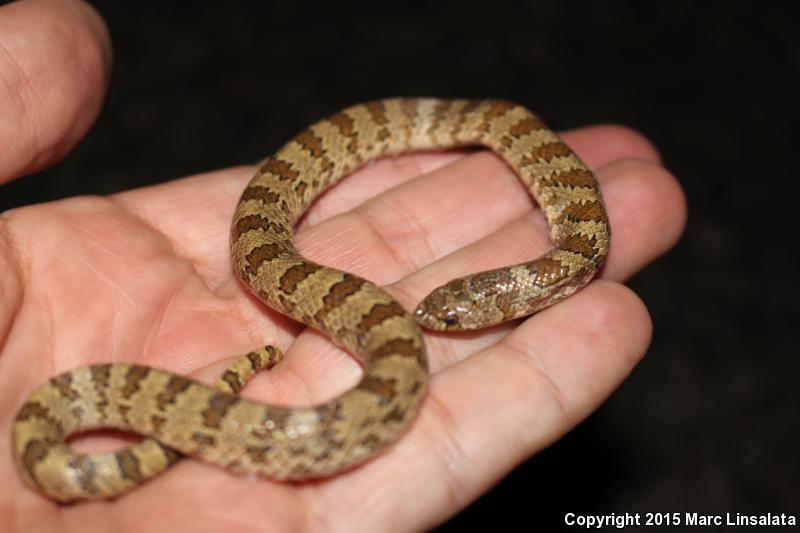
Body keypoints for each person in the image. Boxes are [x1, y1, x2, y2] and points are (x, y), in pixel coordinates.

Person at [0, 0, 686, 531]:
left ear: (511, 299)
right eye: (444, 305)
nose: (429, 314)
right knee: (269, 244)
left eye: (447, 313)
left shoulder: (575, 244)